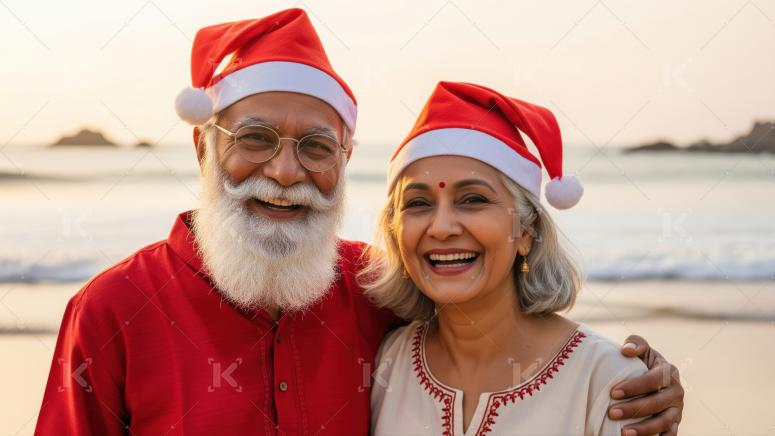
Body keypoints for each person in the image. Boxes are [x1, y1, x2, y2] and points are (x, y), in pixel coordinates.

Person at [35, 8, 683, 436]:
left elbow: (492, 325)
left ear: (344, 161)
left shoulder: (377, 290)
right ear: (204, 148)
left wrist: (653, 387)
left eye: (316, 147)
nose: (286, 171)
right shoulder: (112, 309)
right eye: (255, 138)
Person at [365, 81, 679, 435]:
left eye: (473, 200)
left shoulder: (609, 381)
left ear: (526, 232)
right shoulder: (385, 364)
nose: (441, 228)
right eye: (417, 204)